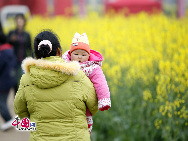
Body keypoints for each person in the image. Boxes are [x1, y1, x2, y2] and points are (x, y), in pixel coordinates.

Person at [14, 30, 98, 141]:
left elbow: (19, 111)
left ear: (37, 55)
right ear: (59, 51)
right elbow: (94, 106)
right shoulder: (78, 75)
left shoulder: (26, 80)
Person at [62, 32, 111, 133]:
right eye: (76, 54)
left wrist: (104, 100)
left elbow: (101, 84)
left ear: (89, 56)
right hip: (65, 105)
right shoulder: (64, 65)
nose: (80, 57)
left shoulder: (92, 68)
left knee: (82, 130)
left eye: (83, 54)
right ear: (70, 55)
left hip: (84, 107)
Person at [7, 13, 32, 94]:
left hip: (23, 60)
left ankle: (21, 97)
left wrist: (33, 60)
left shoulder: (27, 34)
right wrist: (11, 40)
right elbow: (7, 44)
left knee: (22, 80)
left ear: (24, 22)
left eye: (21, 20)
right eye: (18, 20)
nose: (19, 22)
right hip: (13, 60)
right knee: (14, 80)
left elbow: (30, 48)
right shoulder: (12, 33)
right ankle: (16, 96)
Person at [0, 22, 17, 131]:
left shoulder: (2, 52)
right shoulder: (10, 50)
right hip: (10, 80)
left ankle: (8, 120)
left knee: (1, 102)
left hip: (3, 82)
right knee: (3, 101)